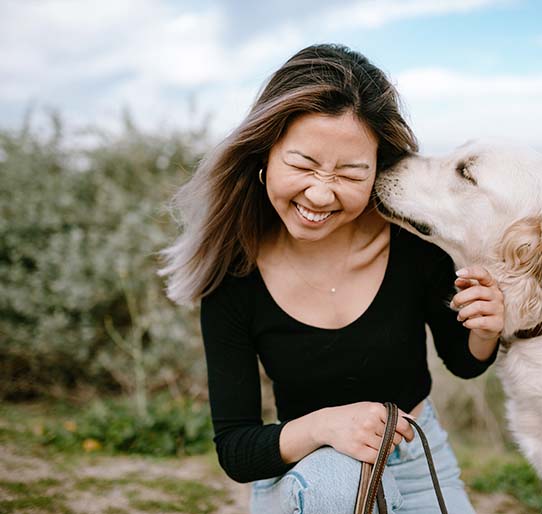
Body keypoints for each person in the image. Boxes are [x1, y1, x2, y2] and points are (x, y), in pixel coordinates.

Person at [158, 43, 504, 514]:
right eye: (302, 165)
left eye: (349, 173)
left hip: (418, 464)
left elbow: (464, 363)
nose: (320, 194)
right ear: (264, 155)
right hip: (305, 478)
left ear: (377, 170)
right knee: (338, 481)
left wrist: (483, 330)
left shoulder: (415, 244)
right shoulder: (233, 275)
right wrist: (326, 427)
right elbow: (237, 449)